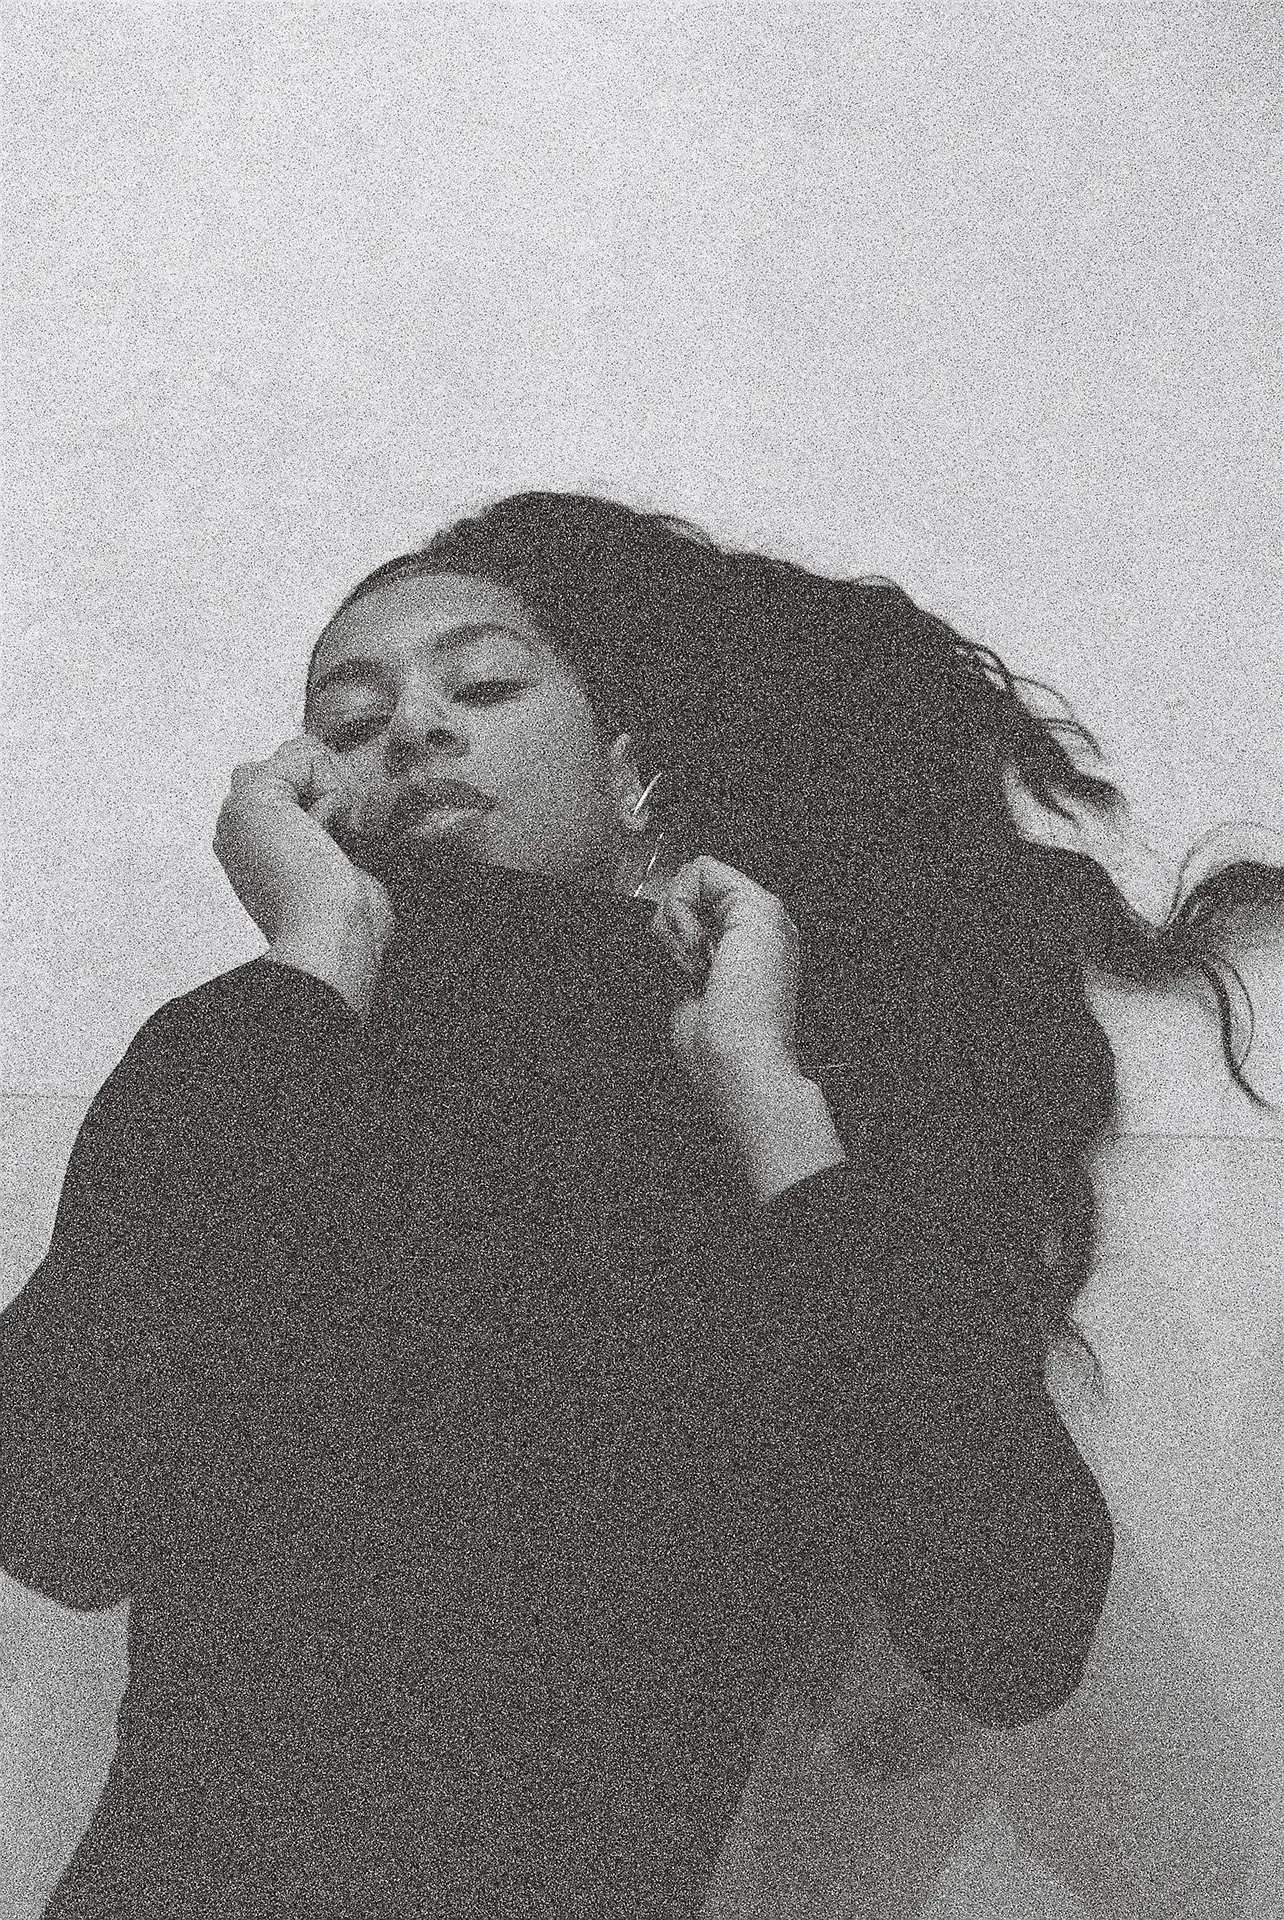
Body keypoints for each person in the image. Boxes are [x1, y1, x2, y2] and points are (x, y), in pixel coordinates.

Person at [2, 491, 1276, 1918]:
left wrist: (771, 1100)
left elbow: (1011, 1626)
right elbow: (57, 1510)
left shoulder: (769, 1126)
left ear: (629, 776)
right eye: (349, 721)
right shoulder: (249, 1066)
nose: (414, 726)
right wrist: (313, 957)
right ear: (304, 805)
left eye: (485, 685)